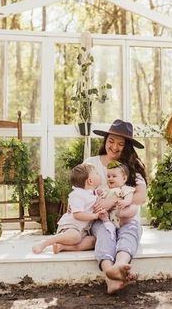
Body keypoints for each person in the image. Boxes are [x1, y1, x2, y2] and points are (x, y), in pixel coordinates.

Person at [57, 119, 147, 294]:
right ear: (105, 140)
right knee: (105, 235)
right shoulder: (91, 162)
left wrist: (113, 201)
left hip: (126, 217)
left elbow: (141, 197)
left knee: (128, 234)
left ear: (126, 146)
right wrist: (74, 206)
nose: (114, 147)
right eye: (111, 141)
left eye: (120, 144)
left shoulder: (130, 166)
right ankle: (110, 274)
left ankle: (120, 264)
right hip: (100, 218)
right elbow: (79, 189)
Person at [31, 163, 105, 254]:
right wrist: (95, 216)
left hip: (83, 230)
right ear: (90, 181)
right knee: (75, 237)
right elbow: (77, 215)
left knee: (93, 241)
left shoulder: (90, 192)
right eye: (97, 173)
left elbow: (91, 198)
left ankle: (62, 247)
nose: (99, 174)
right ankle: (45, 243)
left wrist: (98, 193)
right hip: (71, 227)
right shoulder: (78, 195)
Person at [98, 160, 137, 238]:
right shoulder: (106, 190)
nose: (110, 178)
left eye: (114, 176)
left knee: (126, 222)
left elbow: (129, 198)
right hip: (109, 220)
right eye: (108, 176)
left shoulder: (126, 189)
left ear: (124, 179)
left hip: (121, 221)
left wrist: (125, 202)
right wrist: (98, 193)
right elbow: (100, 200)